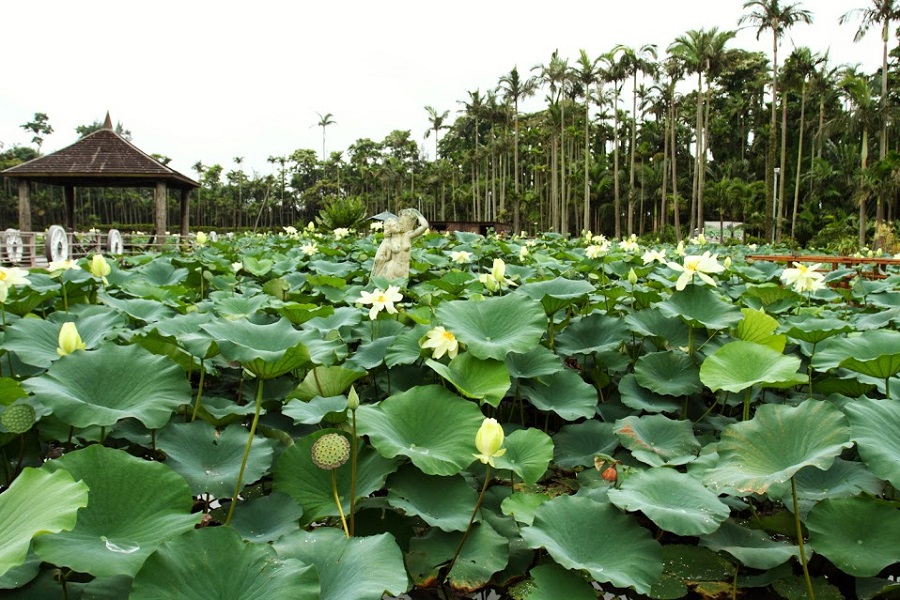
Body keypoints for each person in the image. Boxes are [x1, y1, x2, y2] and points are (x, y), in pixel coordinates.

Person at [371, 208, 428, 280]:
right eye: (401, 223)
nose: (405, 225)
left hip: (404, 269)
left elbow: (425, 226)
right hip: (391, 269)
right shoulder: (390, 238)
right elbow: (382, 257)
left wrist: (417, 213)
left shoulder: (407, 235)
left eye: (409, 223)